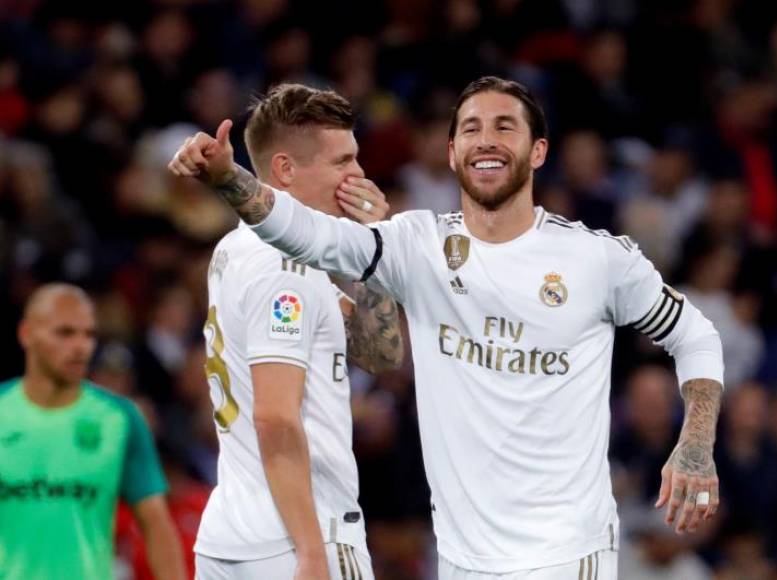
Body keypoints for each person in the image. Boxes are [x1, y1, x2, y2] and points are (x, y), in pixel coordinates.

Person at [170, 76, 724, 579]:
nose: (486, 139)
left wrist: (695, 445)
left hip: (563, 553)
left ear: (538, 151)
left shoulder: (597, 260)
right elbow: (303, 233)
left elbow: (694, 334)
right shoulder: (415, 245)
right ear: (451, 151)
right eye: (471, 128)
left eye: (504, 126)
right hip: (457, 559)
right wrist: (227, 177)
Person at [188, 84, 403, 580]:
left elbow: (379, 354)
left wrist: (373, 246)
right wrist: (310, 552)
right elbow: (275, 417)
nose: (359, 175)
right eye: (342, 161)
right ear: (285, 169)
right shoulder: (284, 267)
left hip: (235, 535)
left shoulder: (240, 249)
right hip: (300, 535)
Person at [0, 283, 186, 580]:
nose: (81, 346)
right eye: (65, 333)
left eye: (89, 334)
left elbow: (157, 526)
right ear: (26, 334)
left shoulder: (120, 419)